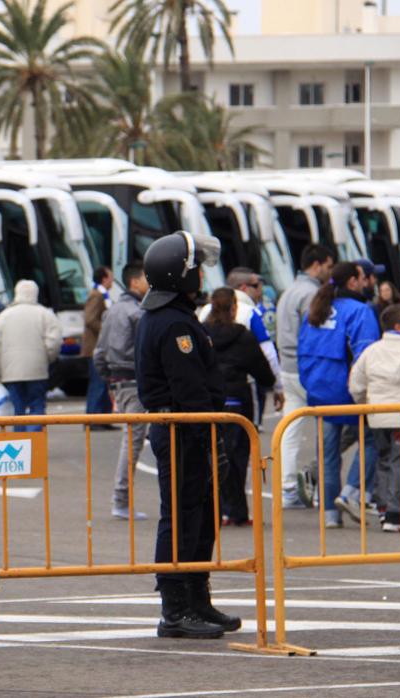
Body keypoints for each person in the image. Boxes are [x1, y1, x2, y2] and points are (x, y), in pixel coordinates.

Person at [134, 231, 238, 640]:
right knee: (180, 519)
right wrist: (210, 437)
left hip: (189, 430)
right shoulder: (172, 322)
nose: (200, 276)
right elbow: (190, 390)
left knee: (200, 518)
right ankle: (175, 609)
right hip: (183, 431)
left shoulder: (174, 316)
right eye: (195, 268)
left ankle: (197, 598)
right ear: (179, 275)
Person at [298, 261, 381, 529]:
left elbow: (302, 350)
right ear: (354, 282)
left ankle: (330, 514)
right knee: (372, 440)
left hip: (318, 388)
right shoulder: (360, 311)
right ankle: (350, 492)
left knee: (327, 453)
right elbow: (365, 355)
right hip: (348, 390)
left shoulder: (316, 309)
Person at [202, 288, 276, 527]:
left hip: (209, 400)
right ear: (234, 307)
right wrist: (271, 384)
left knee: (213, 455)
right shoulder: (242, 335)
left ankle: (218, 508)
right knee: (238, 457)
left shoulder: (202, 334)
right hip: (237, 400)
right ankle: (237, 511)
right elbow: (262, 369)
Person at [349, 303, 400, 532]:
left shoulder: (371, 350)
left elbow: (356, 384)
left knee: (383, 461)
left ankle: (383, 509)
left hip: (377, 416)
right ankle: (394, 513)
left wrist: (366, 405)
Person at [274, 244, 335, 509]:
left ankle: (287, 488)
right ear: (318, 264)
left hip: (286, 365)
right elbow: (317, 333)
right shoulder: (312, 293)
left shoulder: (288, 291)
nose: (329, 272)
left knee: (290, 428)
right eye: (329, 266)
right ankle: (323, 490)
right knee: (327, 428)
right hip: (307, 368)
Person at [93, 262, 149, 521]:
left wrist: (109, 379)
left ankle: (121, 499)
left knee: (133, 440)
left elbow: (99, 353)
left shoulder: (112, 310)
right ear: (135, 282)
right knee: (133, 442)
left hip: (119, 380)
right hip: (135, 381)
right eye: (146, 279)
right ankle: (121, 499)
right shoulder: (138, 313)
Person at [198, 267, 283, 424]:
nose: (260, 290)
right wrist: (275, 385)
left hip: (206, 399)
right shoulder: (249, 318)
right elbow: (268, 355)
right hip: (239, 397)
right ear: (233, 307)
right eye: (256, 285)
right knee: (245, 442)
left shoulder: (200, 327)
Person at [0, 279, 60, 433]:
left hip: (10, 372)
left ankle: (21, 444)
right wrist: (46, 357)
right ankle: (35, 442)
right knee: (37, 405)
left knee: (17, 410)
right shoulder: (45, 314)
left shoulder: (3, 316)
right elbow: (54, 342)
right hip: (37, 370)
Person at [82, 266, 114, 425]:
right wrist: (106, 330)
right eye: (110, 277)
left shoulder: (102, 294)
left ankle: (102, 419)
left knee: (103, 383)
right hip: (96, 347)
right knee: (98, 384)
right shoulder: (96, 296)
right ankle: (93, 419)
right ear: (103, 279)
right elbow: (90, 319)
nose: (112, 280)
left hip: (101, 347)